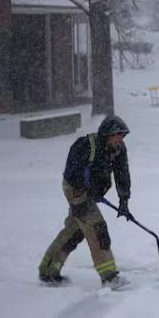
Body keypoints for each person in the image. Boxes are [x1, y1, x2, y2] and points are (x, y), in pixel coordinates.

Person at [38, 115, 134, 290]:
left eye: (122, 135)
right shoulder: (86, 145)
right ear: (106, 134)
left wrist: (124, 200)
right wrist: (87, 189)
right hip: (76, 190)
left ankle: (48, 270)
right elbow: (72, 172)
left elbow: (122, 173)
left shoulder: (119, 148)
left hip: (92, 191)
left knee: (74, 231)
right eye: (117, 135)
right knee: (98, 229)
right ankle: (109, 276)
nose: (120, 139)